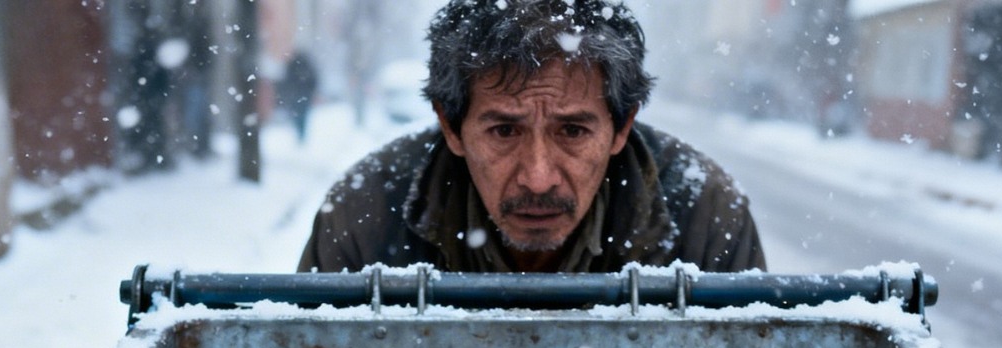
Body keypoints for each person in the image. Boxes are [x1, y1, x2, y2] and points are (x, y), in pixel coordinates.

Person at [297, 0, 766, 274]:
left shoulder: (703, 215)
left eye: (573, 131)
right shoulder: (368, 214)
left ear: (622, 126)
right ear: (451, 126)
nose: (538, 178)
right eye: (504, 130)